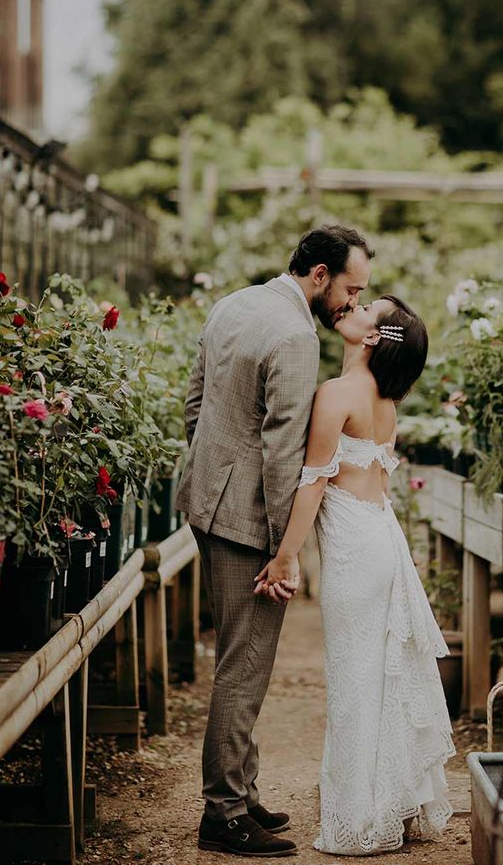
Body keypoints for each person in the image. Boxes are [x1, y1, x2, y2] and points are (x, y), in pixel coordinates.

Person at [176, 225, 374, 857]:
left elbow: (195, 404)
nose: (351, 302)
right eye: (351, 288)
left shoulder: (234, 302)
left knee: (241, 654)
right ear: (319, 275)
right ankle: (224, 813)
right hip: (247, 524)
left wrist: (210, 481)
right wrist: (281, 550)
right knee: (245, 663)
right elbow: (283, 450)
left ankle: (244, 788)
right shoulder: (294, 336)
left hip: (209, 506)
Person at [255, 295, 455, 855]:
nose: (355, 306)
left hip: (353, 550)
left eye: (370, 308)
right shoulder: (385, 401)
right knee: (377, 680)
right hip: (378, 538)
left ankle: (362, 820)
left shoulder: (337, 394)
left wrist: (286, 556)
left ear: (372, 338)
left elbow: (314, 480)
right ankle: (393, 801)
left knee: (354, 683)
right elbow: (374, 486)